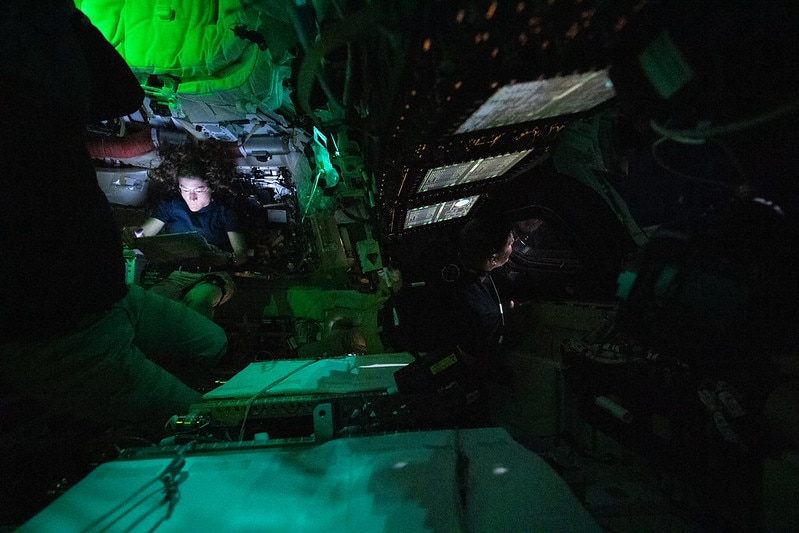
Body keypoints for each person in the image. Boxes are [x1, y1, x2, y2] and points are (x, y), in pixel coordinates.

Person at [0, 1, 227, 436]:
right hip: (58, 337)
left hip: (112, 298)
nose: (192, 197)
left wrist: (61, 16)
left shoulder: (37, 51)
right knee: (204, 429)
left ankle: (155, 398)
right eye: (187, 190)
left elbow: (122, 94)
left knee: (211, 344)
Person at [128, 139, 248, 319]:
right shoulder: (171, 206)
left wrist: (226, 258)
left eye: (198, 190)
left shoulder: (224, 211)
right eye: (184, 190)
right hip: (177, 276)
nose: (191, 197)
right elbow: (142, 235)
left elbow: (241, 254)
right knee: (150, 301)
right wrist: (133, 233)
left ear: (211, 187)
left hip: (213, 276)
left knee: (198, 300)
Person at [451, 216, 517, 366]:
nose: (513, 241)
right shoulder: (487, 313)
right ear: (493, 260)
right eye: (510, 243)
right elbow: (477, 355)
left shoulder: (448, 255)